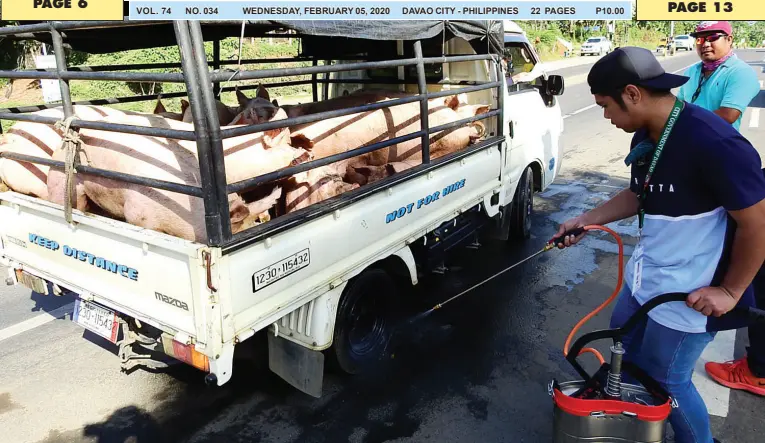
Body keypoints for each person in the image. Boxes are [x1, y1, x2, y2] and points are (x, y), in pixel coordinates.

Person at [556, 47, 765, 443]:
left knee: (667, 379)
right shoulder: (648, 133)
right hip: (646, 278)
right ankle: (633, 430)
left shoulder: (713, 142)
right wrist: (586, 220)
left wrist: (730, 290)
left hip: (691, 291)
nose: (605, 116)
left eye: (605, 106)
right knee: (627, 357)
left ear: (632, 94)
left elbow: (757, 222)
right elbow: (641, 193)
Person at [676, 21, 760, 132]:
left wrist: (685, 123)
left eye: (712, 38)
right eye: (700, 39)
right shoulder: (691, 71)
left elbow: (727, 115)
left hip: (719, 146)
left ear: (729, 40)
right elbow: (677, 107)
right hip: (686, 144)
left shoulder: (741, 72)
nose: (705, 44)